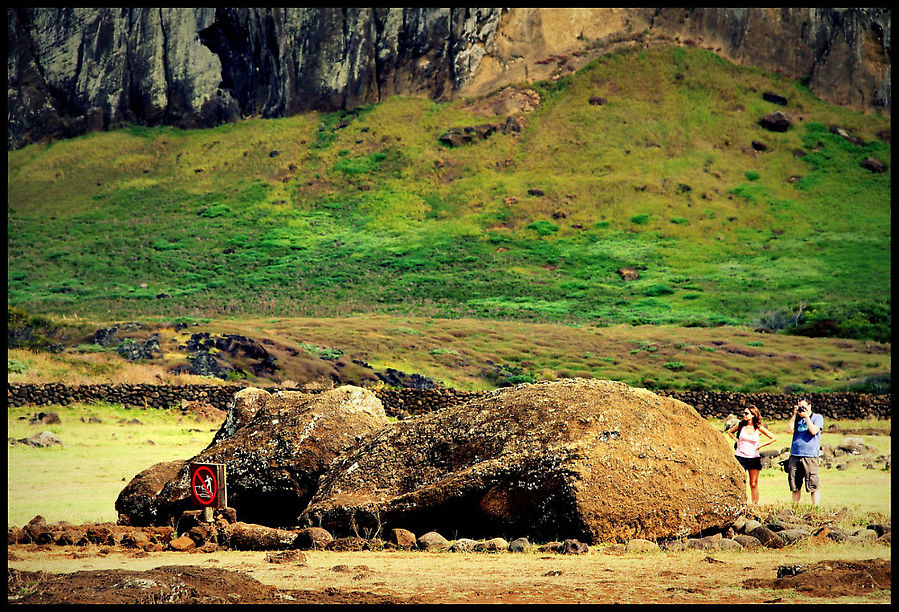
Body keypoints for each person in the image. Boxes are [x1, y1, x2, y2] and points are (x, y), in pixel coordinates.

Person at [728, 405, 777, 504]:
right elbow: (730, 432)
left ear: (753, 415)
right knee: (739, 482)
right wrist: (736, 439)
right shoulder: (741, 425)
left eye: (746, 413)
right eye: (744, 413)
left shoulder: (758, 428)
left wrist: (762, 445)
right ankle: (739, 503)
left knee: (753, 483)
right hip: (740, 456)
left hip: (753, 457)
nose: (744, 415)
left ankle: (755, 505)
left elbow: (773, 438)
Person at [787, 397, 823, 505]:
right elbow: (789, 430)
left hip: (810, 455)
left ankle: (815, 508)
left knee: (813, 484)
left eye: (804, 407)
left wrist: (807, 417)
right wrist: (794, 415)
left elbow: (813, 431)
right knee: (795, 485)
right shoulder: (797, 418)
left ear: (809, 406)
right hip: (795, 454)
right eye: (800, 407)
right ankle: (795, 509)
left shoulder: (817, 417)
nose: (802, 409)